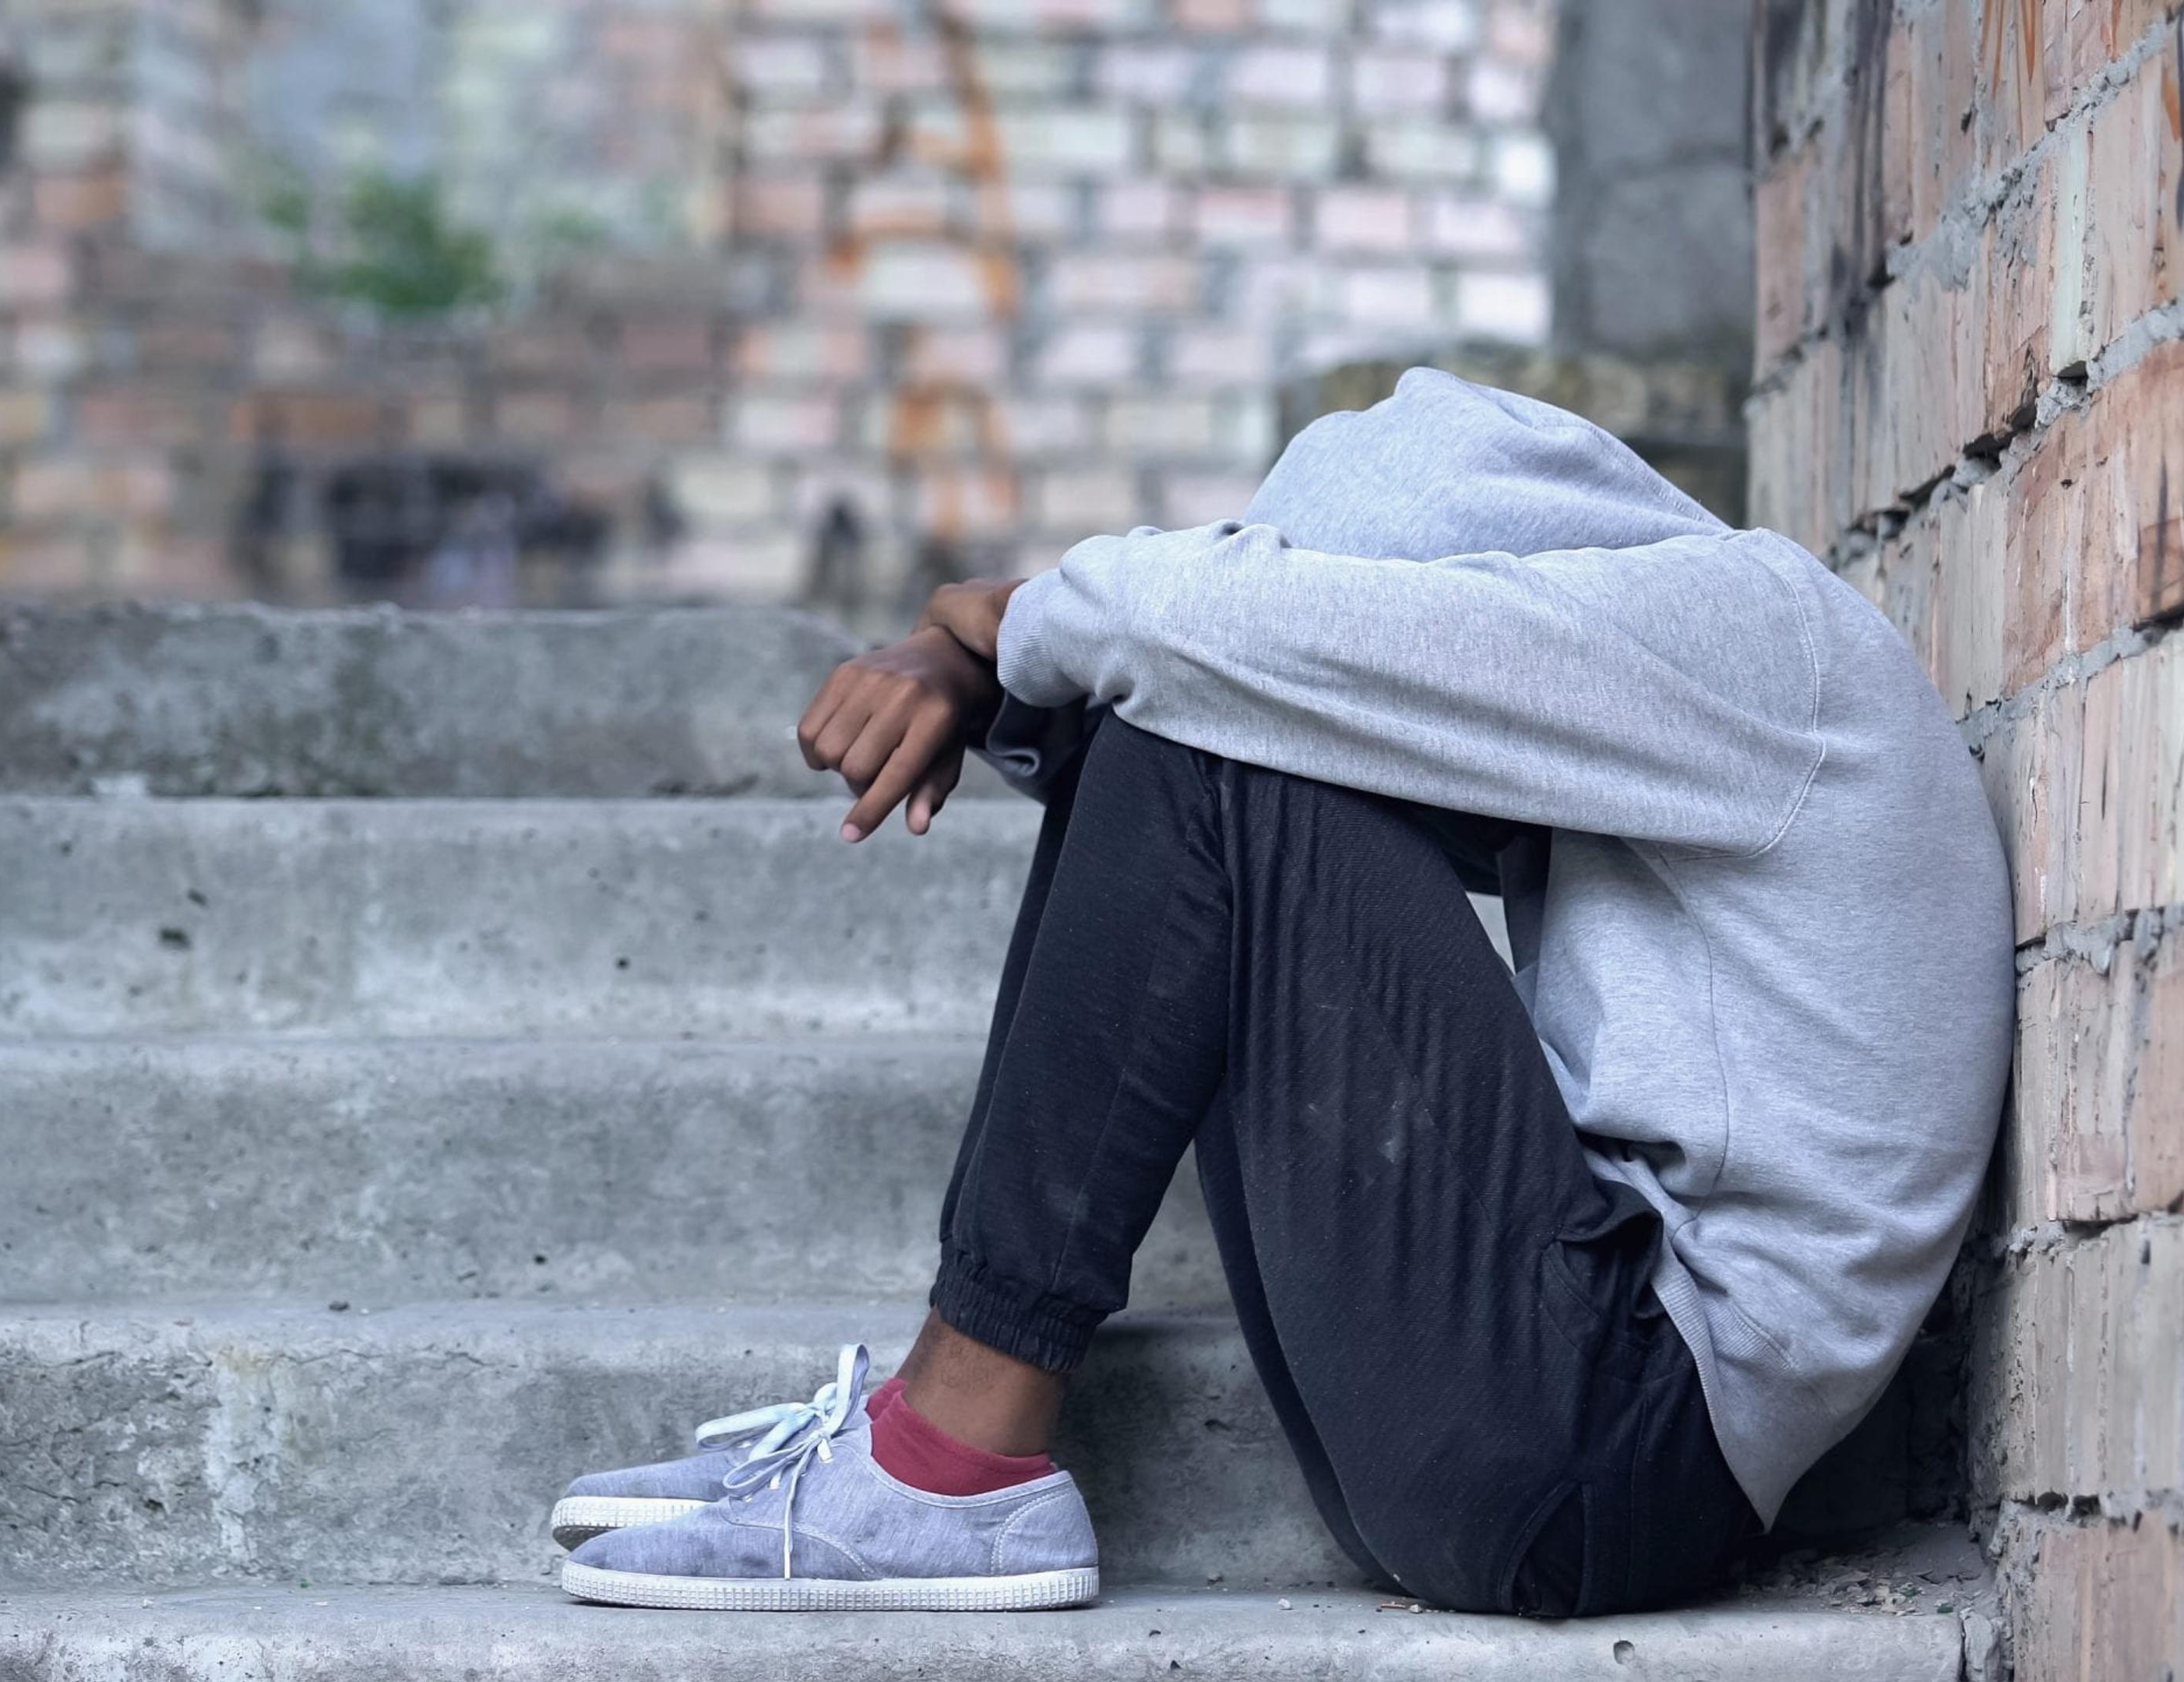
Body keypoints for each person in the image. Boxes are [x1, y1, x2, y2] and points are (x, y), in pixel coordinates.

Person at [545, 369, 2013, 1616]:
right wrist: (1010, 678)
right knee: (1209, 719)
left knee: (1218, 727)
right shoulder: (1643, 701)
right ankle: (933, 1444)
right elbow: (1189, 712)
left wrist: (978, 628)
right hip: (1540, 1418)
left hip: (1616, 1442)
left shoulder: (1751, 636)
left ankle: (952, 1459)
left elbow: (1199, 640)